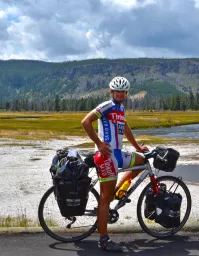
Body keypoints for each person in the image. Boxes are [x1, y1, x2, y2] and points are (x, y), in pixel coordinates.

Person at [81, 76, 149, 252]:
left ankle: (120, 190)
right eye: (117, 91)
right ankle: (103, 240)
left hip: (118, 155)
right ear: (111, 92)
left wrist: (138, 147)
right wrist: (98, 143)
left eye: (123, 91)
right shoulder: (107, 106)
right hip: (106, 157)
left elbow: (125, 129)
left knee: (142, 162)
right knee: (105, 199)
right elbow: (85, 122)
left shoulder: (120, 109)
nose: (120, 94)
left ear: (126, 93)